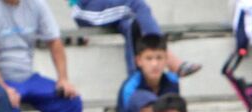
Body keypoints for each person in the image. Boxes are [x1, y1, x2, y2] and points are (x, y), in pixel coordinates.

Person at [68, 0, 199, 75]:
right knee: (136, 4)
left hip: (109, 6)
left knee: (132, 25)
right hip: (86, 8)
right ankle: (168, 58)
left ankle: (137, 79)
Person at [116, 33, 178, 112]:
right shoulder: (129, 88)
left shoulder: (172, 81)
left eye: (159, 58)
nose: (155, 64)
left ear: (166, 59)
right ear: (139, 61)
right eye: (149, 58)